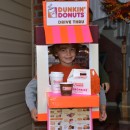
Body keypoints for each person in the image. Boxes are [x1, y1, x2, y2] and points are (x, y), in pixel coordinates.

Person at [25, 44, 107, 122]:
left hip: (80, 117)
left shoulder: (83, 72)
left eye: (72, 49)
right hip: (56, 117)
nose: (68, 53)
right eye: (63, 50)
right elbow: (30, 88)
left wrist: (102, 109)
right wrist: (33, 108)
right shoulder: (48, 71)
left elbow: (99, 90)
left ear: (76, 51)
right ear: (56, 53)